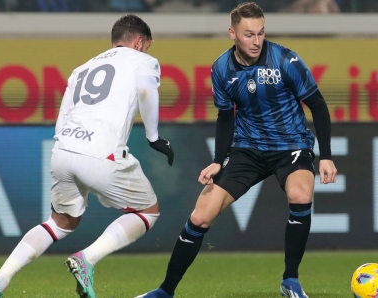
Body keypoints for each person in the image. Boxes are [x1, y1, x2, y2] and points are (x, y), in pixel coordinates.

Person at [136, 2, 336, 298]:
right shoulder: (221, 68)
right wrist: (219, 161)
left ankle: (290, 280)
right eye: (248, 34)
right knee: (201, 216)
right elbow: (226, 116)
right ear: (233, 33)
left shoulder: (286, 60)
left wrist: (327, 155)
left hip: (291, 145)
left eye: (261, 33)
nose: (256, 41)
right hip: (247, 150)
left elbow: (317, 106)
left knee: (301, 195)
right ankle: (165, 291)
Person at [0, 14, 174, 298]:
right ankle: (88, 258)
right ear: (139, 41)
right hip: (100, 153)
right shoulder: (141, 59)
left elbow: (64, 115)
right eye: (147, 46)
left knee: (59, 222)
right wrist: (153, 136)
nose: (147, 52)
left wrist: (67, 146)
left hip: (64, 149)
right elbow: (146, 89)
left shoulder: (82, 69)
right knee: (148, 211)